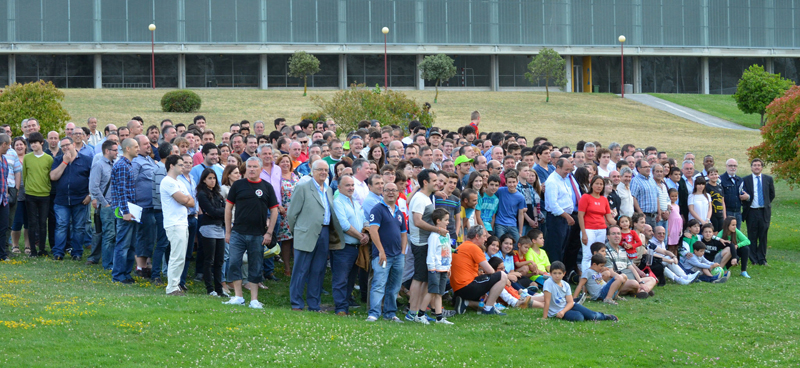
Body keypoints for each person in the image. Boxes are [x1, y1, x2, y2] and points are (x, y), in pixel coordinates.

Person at [287, 160, 343, 312]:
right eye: (320, 170)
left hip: (324, 233)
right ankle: (296, 303)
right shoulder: (303, 187)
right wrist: (298, 231)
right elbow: (292, 214)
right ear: (312, 170)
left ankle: (314, 304)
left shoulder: (328, 190)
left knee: (318, 270)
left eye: (326, 170)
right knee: (301, 270)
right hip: (306, 233)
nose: (323, 172)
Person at [224, 157, 279, 309]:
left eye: (255, 167)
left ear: (261, 169)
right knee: (234, 262)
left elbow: (274, 211)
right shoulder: (238, 185)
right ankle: (238, 296)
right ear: (245, 168)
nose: (252, 169)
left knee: (255, 265)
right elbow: (228, 209)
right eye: (249, 166)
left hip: (258, 234)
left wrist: (269, 232)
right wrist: (228, 231)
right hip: (238, 232)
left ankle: (254, 300)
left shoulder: (267, 187)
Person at [406, 169, 447, 324]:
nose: (438, 183)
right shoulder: (419, 199)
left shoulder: (427, 197)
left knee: (424, 279)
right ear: (426, 182)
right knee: (418, 278)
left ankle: (417, 312)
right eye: (435, 180)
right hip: (420, 243)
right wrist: (437, 230)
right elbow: (417, 221)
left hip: (426, 242)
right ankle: (412, 313)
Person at [366, 182, 408, 323]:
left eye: (394, 190)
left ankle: (390, 313)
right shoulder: (377, 209)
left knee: (394, 286)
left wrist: (402, 252)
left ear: (398, 193)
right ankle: (374, 313)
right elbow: (373, 231)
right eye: (388, 190)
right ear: (382, 192)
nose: (391, 193)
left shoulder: (399, 212)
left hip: (398, 256)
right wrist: (381, 251)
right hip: (382, 255)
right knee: (379, 284)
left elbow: (403, 234)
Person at [450, 225, 509, 316]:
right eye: (484, 236)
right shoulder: (473, 247)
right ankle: (489, 309)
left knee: (484, 299)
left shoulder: (462, 246)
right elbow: (490, 271)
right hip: (466, 287)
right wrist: (486, 289)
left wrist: (483, 290)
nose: (486, 239)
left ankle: (466, 302)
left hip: (458, 289)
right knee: (502, 275)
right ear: (477, 236)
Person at [49, 137, 92, 260]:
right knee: (61, 226)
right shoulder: (58, 160)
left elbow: (93, 179)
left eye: (67, 145)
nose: (65, 148)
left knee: (78, 227)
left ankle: (77, 253)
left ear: (73, 145)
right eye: (62, 146)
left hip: (80, 199)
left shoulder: (87, 160)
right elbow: (53, 177)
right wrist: (64, 162)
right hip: (62, 200)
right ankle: (58, 253)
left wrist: (90, 195)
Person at [331, 175, 368, 316]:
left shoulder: (356, 202)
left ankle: (345, 306)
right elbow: (344, 225)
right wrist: (361, 236)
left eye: (352, 185)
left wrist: (366, 233)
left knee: (351, 279)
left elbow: (364, 220)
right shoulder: (338, 202)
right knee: (341, 279)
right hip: (344, 247)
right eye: (347, 185)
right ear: (339, 187)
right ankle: (340, 308)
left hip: (356, 247)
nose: (351, 188)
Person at [159, 155, 195, 295]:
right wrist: (186, 200)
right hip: (174, 223)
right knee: (176, 255)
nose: (183, 167)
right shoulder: (167, 182)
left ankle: (176, 284)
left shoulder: (179, 182)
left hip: (182, 222)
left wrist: (186, 200)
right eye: (180, 164)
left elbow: (191, 201)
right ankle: (172, 287)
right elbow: (182, 199)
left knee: (181, 256)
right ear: (172, 166)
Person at [542, 261, 618, 322]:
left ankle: (605, 316)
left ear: (564, 274)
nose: (557, 276)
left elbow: (570, 302)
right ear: (550, 273)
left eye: (559, 273)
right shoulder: (548, 283)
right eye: (554, 273)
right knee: (579, 318)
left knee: (592, 315)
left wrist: (563, 311)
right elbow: (547, 301)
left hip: (569, 307)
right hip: (557, 311)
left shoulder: (566, 285)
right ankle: (583, 315)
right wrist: (544, 317)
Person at [110, 138, 139, 284]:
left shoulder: (128, 164)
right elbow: (121, 191)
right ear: (127, 149)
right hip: (125, 212)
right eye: (135, 146)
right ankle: (119, 275)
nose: (138, 149)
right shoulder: (122, 166)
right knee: (123, 244)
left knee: (131, 244)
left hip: (131, 211)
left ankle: (126, 273)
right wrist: (125, 211)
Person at [196, 168, 227, 296]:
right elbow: (211, 211)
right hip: (208, 228)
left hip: (219, 228)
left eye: (214, 178)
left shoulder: (217, 194)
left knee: (219, 260)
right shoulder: (202, 194)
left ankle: (219, 289)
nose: (212, 181)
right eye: (209, 178)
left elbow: (224, 210)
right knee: (210, 260)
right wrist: (219, 212)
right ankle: (210, 289)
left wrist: (218, 212)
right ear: (204, 179)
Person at [22, 132, 53, 257]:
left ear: (42, 143)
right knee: (32, 222)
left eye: (36, 142)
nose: (33, 145)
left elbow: (50, 176)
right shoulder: (27, 158)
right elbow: (25, 175)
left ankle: (42, 249)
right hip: (30, 194)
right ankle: (32, 250)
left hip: (45, 194)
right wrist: (28, 188)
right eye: (31, 143)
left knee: (42, 222)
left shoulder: (49, 159)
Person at [131, 135, 157, 278]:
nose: (149, 146)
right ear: (138, 147)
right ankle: (140, 267)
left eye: (149, 144)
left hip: (152, 205)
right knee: (142, 236)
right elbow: (131, 182)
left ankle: (146, 264)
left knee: (150, 236)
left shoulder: (150, 160)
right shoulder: (136, 162)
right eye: (145, 144)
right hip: (141, 206)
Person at [543, 158, 578, 263]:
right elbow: (553, 205)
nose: (567, 172)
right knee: (556, 248)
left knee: (563, 247)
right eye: (566, 169)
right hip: (556, 219)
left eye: (569, 170)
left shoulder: (563, 179)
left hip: (564, 218)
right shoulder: (552, 181)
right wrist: (567, 217)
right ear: (558, 167)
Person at [578, 175, 615, 273]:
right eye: (597, 184)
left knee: (599, 255)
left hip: (601, 229)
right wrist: (583, 233)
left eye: (601, 184)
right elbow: (580, 216)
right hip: (588, 229)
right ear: (592, 185)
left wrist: (620, 223)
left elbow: (609, 218)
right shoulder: (586, 197)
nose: (599, 186)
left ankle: (597, 277)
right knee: (588, 255)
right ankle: (586, 278)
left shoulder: (603, 199)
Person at [741, 158, 774, 266]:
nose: (757, 167)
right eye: (754, 165)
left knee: (763, 235)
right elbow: (742, 194)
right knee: (752, 235)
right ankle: (753, 259)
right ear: (751, 167)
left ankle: (762, 259)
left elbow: (771, 195)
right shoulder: (746, 180)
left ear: (762, 167)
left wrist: (766, 204)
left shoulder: (768, 179)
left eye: (759, 165)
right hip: (751, 211)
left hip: (764, 211)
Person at [426, 208, 454, 325]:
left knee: (439, 293)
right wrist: (431, 268)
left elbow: (448, 251)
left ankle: (439, 317)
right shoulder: (434, 236)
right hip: (435, 269)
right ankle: (420, 313)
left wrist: (449, 266)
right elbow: (431, 253)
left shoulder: (446, 235)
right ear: (438, 221)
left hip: (444, 268)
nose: (448, 222)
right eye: (446, 220)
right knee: (432, 291)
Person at [276, 154, 300, 275]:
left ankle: (297, 266)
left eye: (287, 162)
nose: (285, 164)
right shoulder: (276, 177)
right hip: (284, 212)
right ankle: (287, 267)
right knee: (286, 240)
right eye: (282, 162)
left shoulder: (295, 176)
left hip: (297, 212)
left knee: (297, 239)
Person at [493, 170, 526, 242]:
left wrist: (520, 232)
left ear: (517, 182)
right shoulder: (500, 191)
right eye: (509, 182)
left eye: (514, 182)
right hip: (500, 223)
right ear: (506, 183)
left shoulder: (520, 197)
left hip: (512, 223)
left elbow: (521, 214)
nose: (512, 184)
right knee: (500, 242)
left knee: (517, 244)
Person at [630, 159, 660, 228]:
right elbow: (633, 197)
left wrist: (659, 213)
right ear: (639, 169)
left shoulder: (652, 180)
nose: (648, 169)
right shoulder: (635, 181)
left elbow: (657, 196)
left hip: (654, 216)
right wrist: (640, 212)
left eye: (649, 167)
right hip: (644, 215)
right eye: (645, 167)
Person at [720, 159, 744, 229]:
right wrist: (724, 215)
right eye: (730, 166)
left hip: (738, 212)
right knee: (726, 233)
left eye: (735, 166)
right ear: (726, 166)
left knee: (736, 234)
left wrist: (747, 196)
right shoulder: (721, 179)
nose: (733, 168)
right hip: (727, 211)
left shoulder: (740, 180)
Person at [0, 135, 10, 262]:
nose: (9, 147)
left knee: (3, 228)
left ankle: (2, 255)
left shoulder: (5, 160)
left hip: (3, 200)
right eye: (8, 145)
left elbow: (5, 179)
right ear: (3, 144)